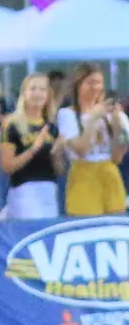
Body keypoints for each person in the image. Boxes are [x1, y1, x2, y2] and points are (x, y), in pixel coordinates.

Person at [55, 63, 129, 217]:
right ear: (78, 85)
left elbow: (117, 158)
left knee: (114, 227)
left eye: (99, 82)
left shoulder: (111, 114)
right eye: (90, 82)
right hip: (83, 176)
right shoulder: (67, 114)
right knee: (85, 225)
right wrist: (93, 119)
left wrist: (116, 127)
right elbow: (82, 150)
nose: (95, 87)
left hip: (110, 176)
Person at [0, 72, 62, 220]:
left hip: (49, 189)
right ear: (24, 94)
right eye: (33, 89)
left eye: (42, 89)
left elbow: (58, 169)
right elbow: (6, 166)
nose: (37, 93)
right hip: (24, 189)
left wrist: (57, 154)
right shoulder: (12, 124)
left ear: (48, 95)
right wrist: (33, 149)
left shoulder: (52, 127)